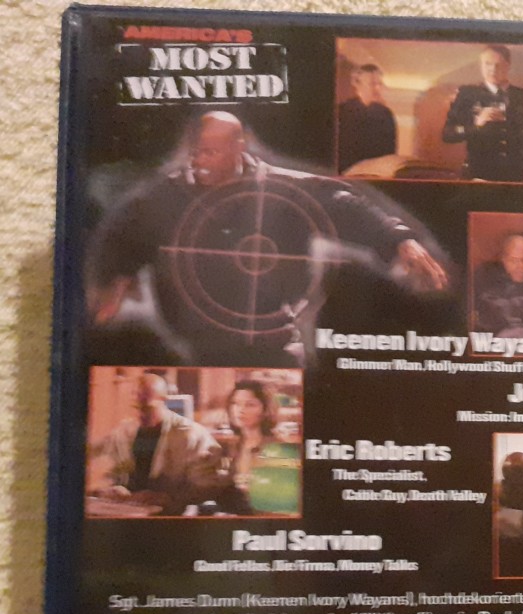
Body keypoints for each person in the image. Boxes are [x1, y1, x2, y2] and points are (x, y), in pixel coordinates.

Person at [89, 111, 448, 366]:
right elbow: (125, 230)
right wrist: (115, 275)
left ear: (239, 147)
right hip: (196, 352)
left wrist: (399, 240)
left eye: (210, 152)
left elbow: (347, 205)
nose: (199, 161)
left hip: (275, 350)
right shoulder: (165, 194)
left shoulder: (283, 189)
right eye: (195, 151)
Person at [90, 373, 224, 516]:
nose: (140, 415)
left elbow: (207, 487)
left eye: (146, 408)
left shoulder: (192, 435)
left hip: (173, 516)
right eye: (135, 407)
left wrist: (168, 497)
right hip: (128, 512)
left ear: (164, 400)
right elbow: (102, 464)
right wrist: (109, 488)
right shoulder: (123, 432)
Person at [441, 46, 523, 182]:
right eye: (487, 64)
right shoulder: (467, 94)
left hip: (515, 176)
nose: (492, 69)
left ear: (508, 66)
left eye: (498, 65)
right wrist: (476, 124)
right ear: (481, 65)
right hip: (479, 174)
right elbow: (447, 134)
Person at [218, 380, 300, 515]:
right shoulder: (233, 446)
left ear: (265, 409)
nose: (240, 410)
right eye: (235, 403)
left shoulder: (278, 447)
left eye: (250, 404)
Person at [337, 63, 397, 173]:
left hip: (376, 174)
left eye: (379, 84)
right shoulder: (341, 112)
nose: (377, 88)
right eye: (372, 84)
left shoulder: (386, 114)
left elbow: (390, 152)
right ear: (356, 83)